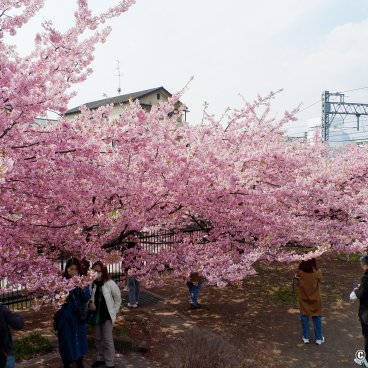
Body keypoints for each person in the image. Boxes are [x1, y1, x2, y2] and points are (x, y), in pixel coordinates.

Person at [57, 257, 90, 368]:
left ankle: (79, 361)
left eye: (75, 269)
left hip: (78, 316)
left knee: (79, 339)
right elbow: (58, 301)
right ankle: (66, 363)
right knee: (66, 340)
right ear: (66, 269)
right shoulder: (61, 281)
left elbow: (86, 298)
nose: (73, 272)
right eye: (71, 269)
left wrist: (81, 288)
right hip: (66, 316)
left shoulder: (83, 280)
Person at [89, 261, 122, 368]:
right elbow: (87, 298)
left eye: (98, 271)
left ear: (103, 272)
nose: (96, 273)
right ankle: (100, 358)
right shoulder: (91, 284)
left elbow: (118, 299)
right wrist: (89, 304)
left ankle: (110, 363)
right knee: (98, 338)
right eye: (94, 271)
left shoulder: (110, 283)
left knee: (107, 340)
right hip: (95, 315)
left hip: (107, 316)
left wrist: (115, 311)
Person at [295, 258, 324, 345]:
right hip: (315, 298)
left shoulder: (299, 272)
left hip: (304, 298)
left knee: (304, 317)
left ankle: (306, 337)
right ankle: (319, 338)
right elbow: (320, 281)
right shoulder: (318, 272)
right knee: (317, 317)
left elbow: (296, 284)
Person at [351, 255, 368, 367]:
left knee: (367, 336)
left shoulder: (366, 278)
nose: (361, 266)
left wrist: (356, 290)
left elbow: (362, 294)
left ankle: (366, 360)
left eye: (362, 264)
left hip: (367, 313)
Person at [122, 241, 140, 308]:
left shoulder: (126, 249)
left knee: (131, 285)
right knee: (137, 285)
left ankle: (132, 302)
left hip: (130, 269)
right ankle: (136, 300)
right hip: (138, 268)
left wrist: (125, 269)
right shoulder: (138, 247)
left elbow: (124, 261)